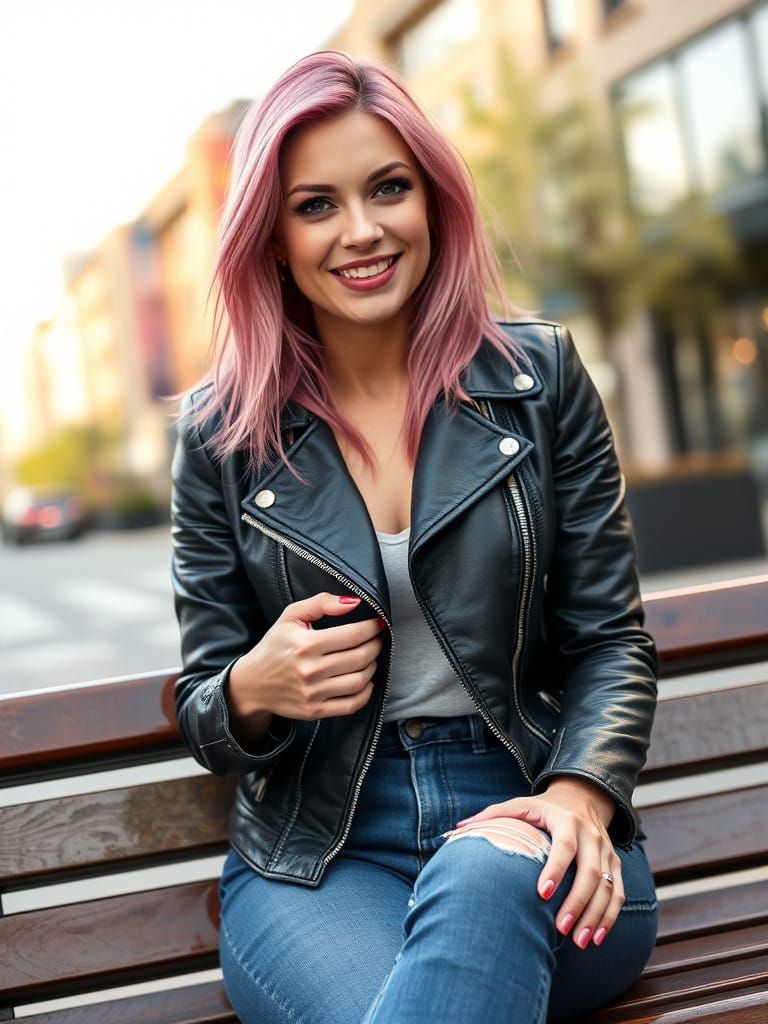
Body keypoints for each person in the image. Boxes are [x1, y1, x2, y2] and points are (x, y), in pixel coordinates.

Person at [170, 50, 659, 1024]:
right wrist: (254, 688)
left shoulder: (539, 379)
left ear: (432, 200)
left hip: (530, 803)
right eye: (316, 204)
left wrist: (577, 799)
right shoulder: (220, 434)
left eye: (389, 187)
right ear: (270, 234)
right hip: (323, 851)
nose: (362, 230)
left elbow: (611, 640)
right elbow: (204, 699)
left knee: (483, 880)